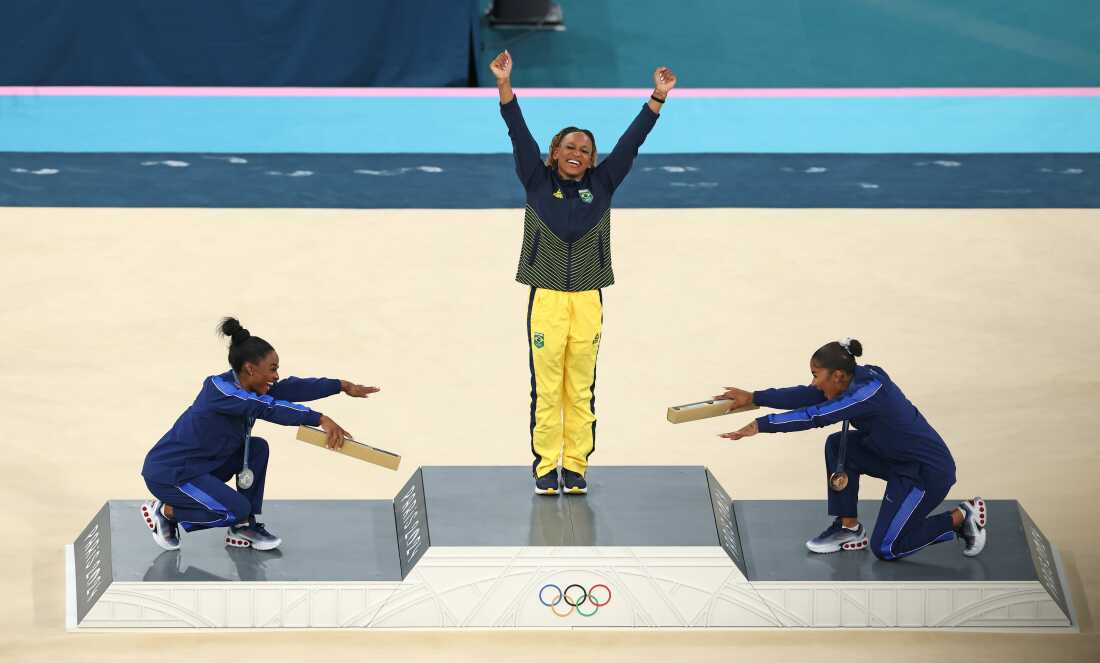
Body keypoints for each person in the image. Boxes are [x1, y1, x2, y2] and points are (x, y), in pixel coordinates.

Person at [489, 49, 677, 496]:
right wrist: (504, 85)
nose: (577, 153)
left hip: (589, 298)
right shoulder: (536, 179)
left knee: (581, 387)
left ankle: (574, 467)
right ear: (554, 153)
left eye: (585, 150)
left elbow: (631, 142)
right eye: (569, 147)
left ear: (593, 161)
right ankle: (543, 466)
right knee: (547, 386)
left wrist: (657, 97)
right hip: (548, 300)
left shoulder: (604, 184)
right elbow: (518, 133)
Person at [715, 339, 987, 560]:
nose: (813, 382)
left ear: (838, 375)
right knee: (838, 445)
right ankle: (849, 529)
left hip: (925, 473)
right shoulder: (849, 381)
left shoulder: (868, 392)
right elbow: (807, 396)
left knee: (887, 548)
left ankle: (962, 517)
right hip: (893, 458)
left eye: (815, 375)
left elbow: (815, 416)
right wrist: (754, 397)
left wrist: (761, 425)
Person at [139, 317, 380, 551]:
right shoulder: (219, 390)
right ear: (250, 369)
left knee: (257, 448)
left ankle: (243, 527)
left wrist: (341, 385)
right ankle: (167, 511)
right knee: (235, 509)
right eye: (272, 369)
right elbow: (267, 407)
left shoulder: (253, 385)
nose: (276, 376)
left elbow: (292, 387)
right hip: (171, 472)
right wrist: (320, 419)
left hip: (204, 465)